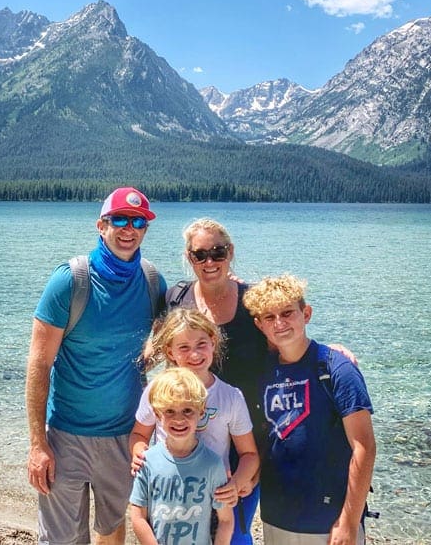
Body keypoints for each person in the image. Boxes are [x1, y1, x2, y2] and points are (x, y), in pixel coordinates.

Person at [26, 187, 167, 545]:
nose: (128, 228)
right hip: (66, 437)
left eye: (138, 222)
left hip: (126, 436)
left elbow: (177, 338)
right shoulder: (70, 281)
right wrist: (38, 445)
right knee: (61, 539)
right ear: (100, 225)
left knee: (111, 528)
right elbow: (39, 366)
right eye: (119, 219)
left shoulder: (152, 282)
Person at [242, 275, 376, 545]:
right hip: (276, 514)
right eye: (269, 317)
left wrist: (348, 522)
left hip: (328, 518)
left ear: (307, 313)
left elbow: (365, 448)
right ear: (259, 325)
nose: (279, 323)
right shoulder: (263, 372)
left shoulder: (336, 369)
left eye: (287, 313)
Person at [163, 218, 268, 543]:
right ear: (189, 258)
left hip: (245, 440)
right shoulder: (176, 298)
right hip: (190, 442)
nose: (210, 262)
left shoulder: (254, 301)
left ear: (230, 252)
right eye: (200, 255)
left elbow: (288, 342)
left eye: (218, 252)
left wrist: (329, 354)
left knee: (235, 531)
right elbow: (164, 354)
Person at [130, 308, 259, 511]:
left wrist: (237, 482)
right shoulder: (156, 390)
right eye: (184, 347)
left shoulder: (231, 397)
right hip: (166, 496)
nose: (195, 354)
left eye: (201, 344)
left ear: (213, 343)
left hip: (213, 498)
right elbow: (139, 434)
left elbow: (249, 454)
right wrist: (139, 452)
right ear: (170, 351)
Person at [129, 367, 234, 545]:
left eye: (187, 410)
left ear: (201, 411)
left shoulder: (212, 464)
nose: (179, 419)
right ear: (157, 414)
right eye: (170, 411)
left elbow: (225, 519)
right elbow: (138, 516)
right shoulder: (147, 462)